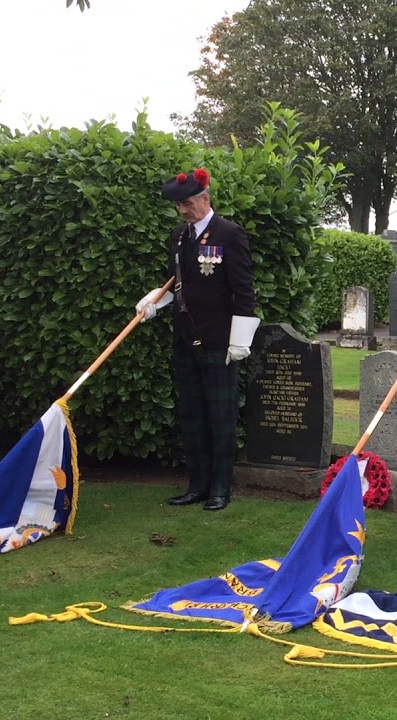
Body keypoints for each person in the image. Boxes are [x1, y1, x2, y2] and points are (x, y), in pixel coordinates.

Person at [136, 168, 258, 512]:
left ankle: (220, 488)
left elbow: (244, 291)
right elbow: (174, 282)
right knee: (191, 415)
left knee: (220, 417)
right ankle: (197, 485)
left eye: (187, 203)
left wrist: (240, 339)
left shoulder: (229, 234)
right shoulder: (179, 236)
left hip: (219, 342)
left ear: (205, 199)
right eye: (178, 205)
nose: (182, 210)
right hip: (185, 340)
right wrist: (153, 302)